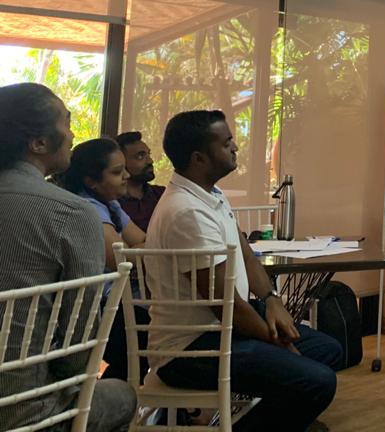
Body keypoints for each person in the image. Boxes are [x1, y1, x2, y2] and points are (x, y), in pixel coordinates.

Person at [146, 110, 343, 432]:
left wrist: (272, 300)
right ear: (198, 158)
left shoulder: (211, 195)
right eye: (226, 144)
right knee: (318, 381)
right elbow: (226, 306)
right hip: (190, 349)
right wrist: (280, 344)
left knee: (328, 351)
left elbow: (247, 254)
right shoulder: (186, 212)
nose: (235, 147)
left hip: (225, 330)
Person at [0, 83, 136, 432]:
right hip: (24, 411)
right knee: (123, 395)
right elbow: (78, 352)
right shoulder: (71, 213)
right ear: (38, 142)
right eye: (67, 122)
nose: (73, 134)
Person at [58, 137, 148, 382]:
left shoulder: (110, 204)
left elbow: (144, 243)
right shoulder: (89, 209)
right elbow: (122, 260)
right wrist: (135, 251)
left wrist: (135, 250)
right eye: (117, 172)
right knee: (151, 333)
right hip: (98, 308)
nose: (127, 176)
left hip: (118, 300)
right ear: (91, 181)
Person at [116, 131, 165, 232]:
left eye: (148, 154)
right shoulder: (113, 202)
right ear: (121, 162)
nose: (150, 161)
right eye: (140, 156)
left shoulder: (162, 195)